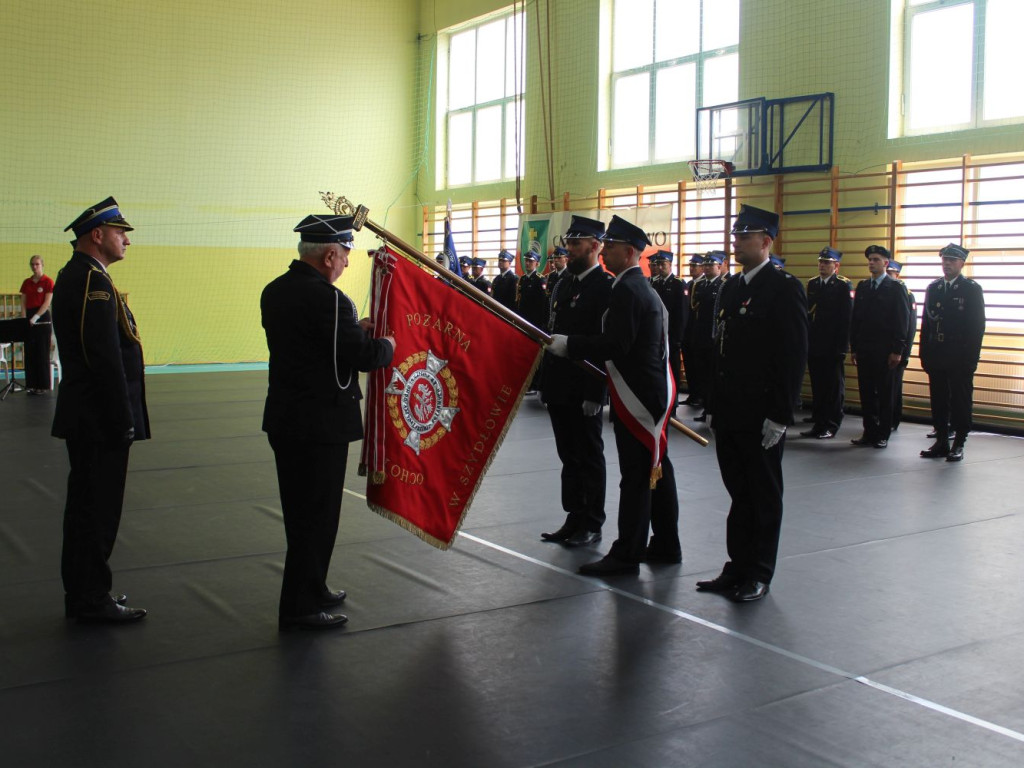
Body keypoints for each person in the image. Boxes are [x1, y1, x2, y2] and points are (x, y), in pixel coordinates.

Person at [261, 214, 395, 630]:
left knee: (303, 514)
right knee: (315, 518)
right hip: (320, 425)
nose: (348, 265)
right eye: (346, 256)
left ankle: (313, 585)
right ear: (330, 254)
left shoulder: (276, 291)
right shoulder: (331, 300)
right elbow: (364, 358)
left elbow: (313, 342)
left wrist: (354, 329)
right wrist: (387, 343)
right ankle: (299, 607)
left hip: (287, 419)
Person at [547, 215, 680, 575]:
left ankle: (627, 553)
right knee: (656, 472)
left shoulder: (626, 288)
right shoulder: (635, 286)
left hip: (638, 394)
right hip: (644, 392)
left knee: (638, 476)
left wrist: (571, 345)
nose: (605, 251)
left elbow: (616, 344)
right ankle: (666, 544)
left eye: (612, 246)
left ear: (630, 251)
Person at [698, 205, 808, 602]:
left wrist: (781, 414)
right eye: (735, 235)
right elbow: (721, 351)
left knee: (763, 495)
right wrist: (712, 404)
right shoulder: (731, 287)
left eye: (745, 236)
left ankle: (759, 572)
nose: (737, 242)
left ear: (766, 242)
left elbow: (792, 357)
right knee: (738, 493)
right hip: (730, 411)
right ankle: (737, 566)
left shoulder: (784, 288)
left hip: (761, 414)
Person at [51, 197, 149, 623]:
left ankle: (87, 591)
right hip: (98, 417)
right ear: (98, 235)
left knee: (88, 507)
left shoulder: (82, 276)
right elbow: (103, 357)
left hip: (89, 415)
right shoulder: (91, 280)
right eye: (119, 232)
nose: (125, 239)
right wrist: (121, 417)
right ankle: (91, 597)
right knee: (97, 509)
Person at [539, 216, 613, 547]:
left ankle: (592, 521)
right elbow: (551, 332)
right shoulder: (563, 283)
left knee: (588, 455)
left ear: (595, 246)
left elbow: (604, 344)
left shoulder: (605, 287)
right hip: (559, 385)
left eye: (576, 243)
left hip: (585, 386)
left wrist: (596, 392)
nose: (569, 248)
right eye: (568, 242)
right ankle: (574, 516)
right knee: (568, 456)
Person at [919, 243, 985, 462]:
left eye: (952, 260)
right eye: (944, 260)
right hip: (937, 353)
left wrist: (971, 359)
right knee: (938, 400)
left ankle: (959, 442)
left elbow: (977, 327)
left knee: (960, 400)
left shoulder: (971, 289)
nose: (946, 264)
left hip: (960, 355)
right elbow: (927, 323)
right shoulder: (934, 288)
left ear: (961, 263)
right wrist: (924, 354)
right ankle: (941, 441)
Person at [849, 245, 909, 449]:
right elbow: (856, 319)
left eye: (876, 259)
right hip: (865, 350)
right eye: (870, 260)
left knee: (884, 394)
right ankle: (869, 431)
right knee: (866, 394)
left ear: (885, 263)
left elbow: (902, 321)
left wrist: (897, 350)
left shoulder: (895, 288)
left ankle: (883, 433)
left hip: (885, 351)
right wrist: (854, 347)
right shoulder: (864, 286)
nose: (871, 263)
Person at [801, 247, 852, 439]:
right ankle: (819, 423)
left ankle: (831, 424)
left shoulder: (843, 285)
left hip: (833, 345)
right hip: (815, 344)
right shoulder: (813, 284)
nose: (822, 266)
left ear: (836, 266)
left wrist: (842, 346)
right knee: (819, 386)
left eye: (827, 263)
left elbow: (847, 318)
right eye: (821, 262)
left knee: (833, 388)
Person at [649, 251, 688, 405]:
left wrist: (678, 338)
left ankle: (674, 399)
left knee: (673, 368)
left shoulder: (679, 284)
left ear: (670, 264)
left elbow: (682, 314)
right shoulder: (655, 283)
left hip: (671, 334)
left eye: (663, 264)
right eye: (657, 264)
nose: (660, 267)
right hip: (657, 334)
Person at [690, 250, 726, 421]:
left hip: (715, 337)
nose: (707, 267)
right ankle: (706, 407)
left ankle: (714, 408)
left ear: (719, 266)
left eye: (711, 265)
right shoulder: (700, 285)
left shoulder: (723, 285)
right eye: (705, 264)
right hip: (701, 335)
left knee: (713, 375)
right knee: (702, 374)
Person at [886, 259, 917, 431]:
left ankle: (892, 420)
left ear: (896, 274)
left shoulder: (906, 293)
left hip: (898, 350)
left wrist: (903, 353)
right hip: (882, 349)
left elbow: (909, 326)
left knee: (894, 389)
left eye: (891, 274)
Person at [19, 254, 55, 394]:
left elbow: (47, 303)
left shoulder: (48, 281)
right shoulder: (26, 282)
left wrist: (35, 317)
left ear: (42, 265)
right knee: (30, 353)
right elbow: (23, 301)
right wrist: (24, 318)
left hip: (42, 318)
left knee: (41, 353)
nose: (34, 267)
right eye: (32, 264)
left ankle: (42, 386)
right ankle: (31, 384)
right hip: (28, 317)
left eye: (37, 264)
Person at [680, 254, 704, 406]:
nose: (692, 268)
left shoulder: (703, 284)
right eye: (691, 266)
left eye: (695, 266)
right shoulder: (689, 284)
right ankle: (693, 393)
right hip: (688, 332)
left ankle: (700, 396)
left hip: (699, 332)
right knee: (689, 365)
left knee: (699, 366)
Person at [515, 249, 548, 329]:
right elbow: (519, 298)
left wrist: (543, 322)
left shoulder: (540, 279)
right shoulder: (522, 279)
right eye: (526, 260)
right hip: (522, 317)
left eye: (530, 261)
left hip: (534, 320)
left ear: (536, 263)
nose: (527, 263)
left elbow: (543, 302)